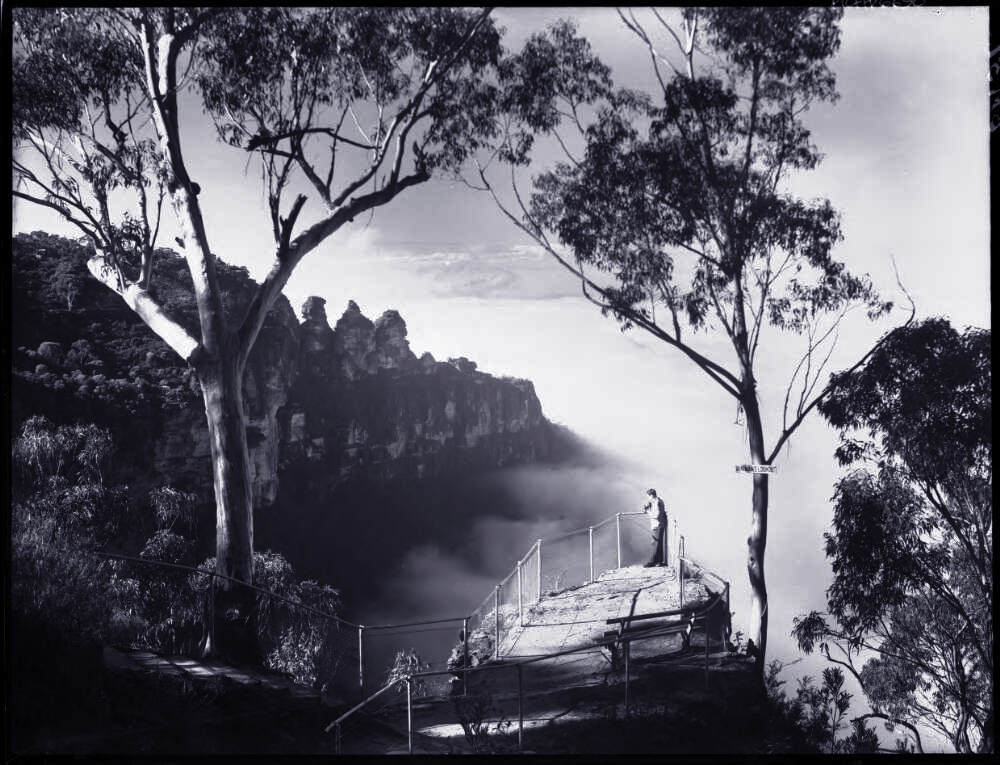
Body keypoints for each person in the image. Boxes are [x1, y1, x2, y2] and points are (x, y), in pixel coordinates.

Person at [642, 488, 668, 567]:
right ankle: (659, 561)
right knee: (658, 544)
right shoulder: (656, 502)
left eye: (648, 497)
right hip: (658, 525)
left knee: (656, 544)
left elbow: (656, 516)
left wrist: (648, 512)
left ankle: (652, 562)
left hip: (658, 525)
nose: (647, 498)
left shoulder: (657, 503)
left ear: (651, 496)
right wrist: (647, 507)